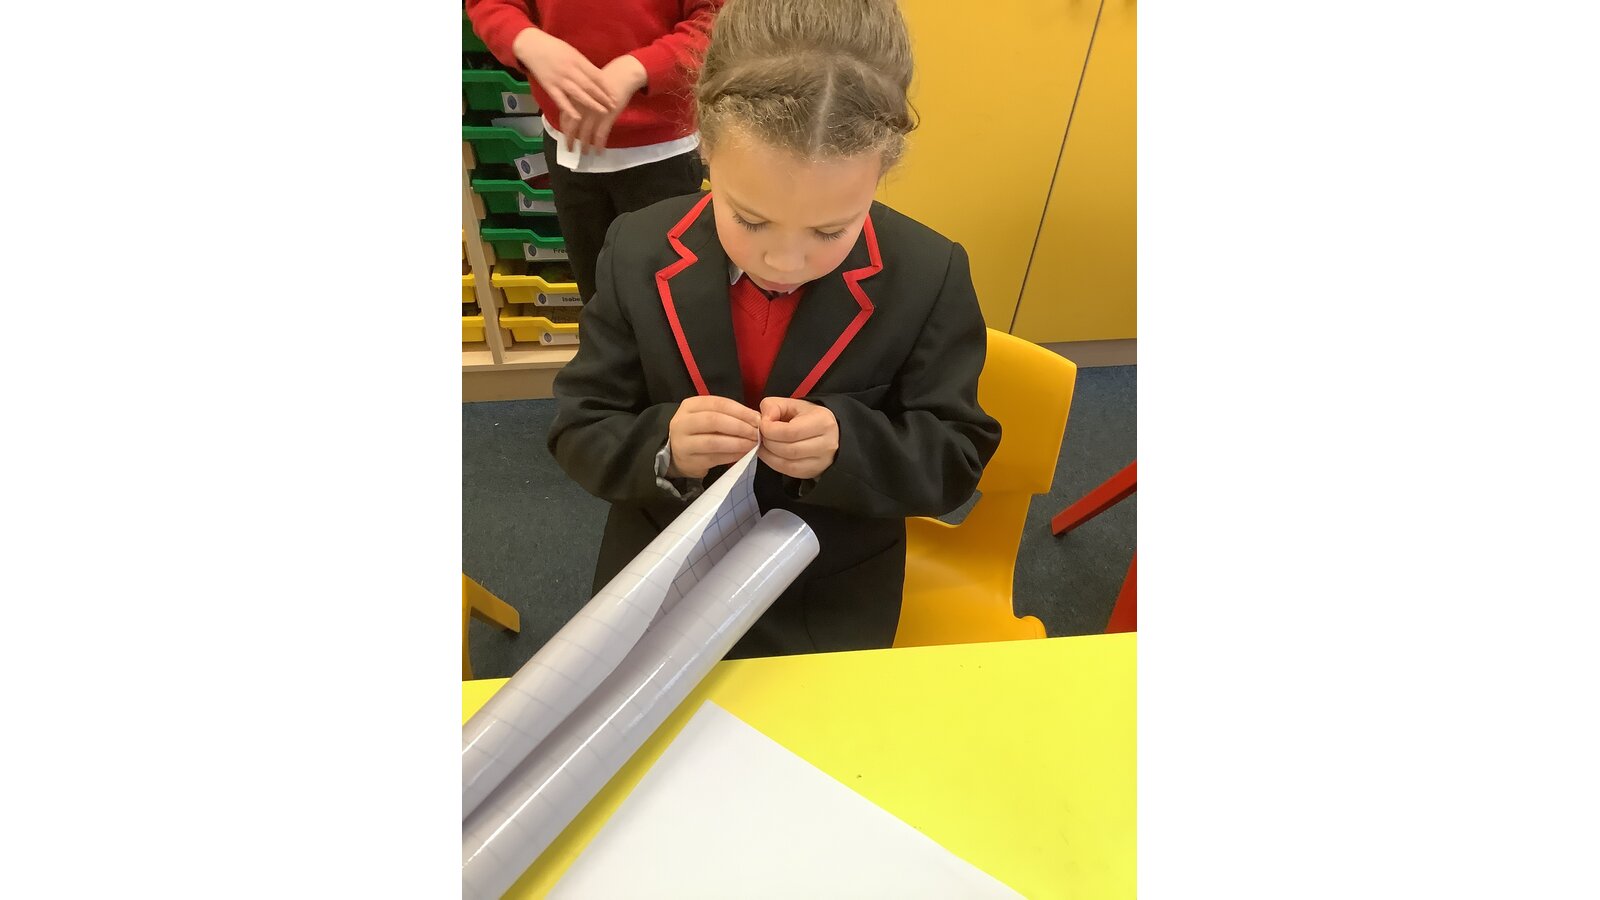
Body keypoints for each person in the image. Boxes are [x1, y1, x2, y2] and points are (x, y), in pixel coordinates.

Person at [546, 0, 1002, 658]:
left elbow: (957, 456)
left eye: (830, 230)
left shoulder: (929, 274)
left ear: (882, 170)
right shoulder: (636, 249)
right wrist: (666, 447)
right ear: (703, 145)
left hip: (826, 586)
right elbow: (580, 427)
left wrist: (848, 445)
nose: (785, 261)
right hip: (662, 569)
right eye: (750, 220)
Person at [464, 0, 723, 302]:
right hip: (569, 147)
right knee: (595, 292)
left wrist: (639, 68)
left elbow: (715, 20)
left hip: (663, 151)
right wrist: (524, 39)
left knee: (665, 295)